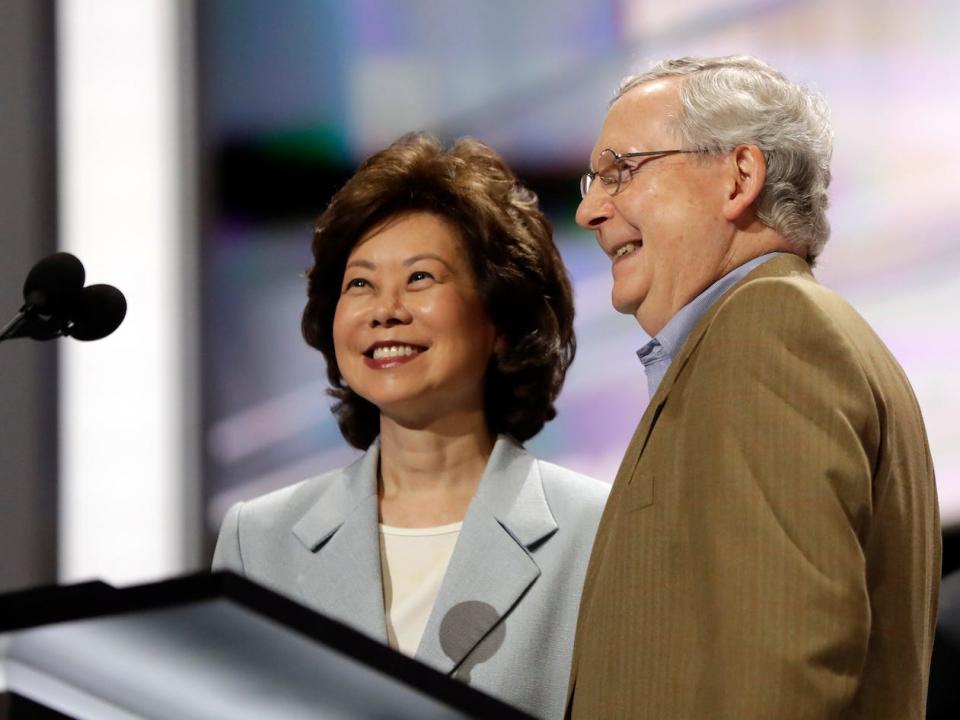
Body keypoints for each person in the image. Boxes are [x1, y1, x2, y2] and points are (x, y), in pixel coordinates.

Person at [566, 56, 940, 719]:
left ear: (740, 177)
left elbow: (787, 664)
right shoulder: (771, 333)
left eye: (620, 171)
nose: (591, 209)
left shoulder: (769, 332)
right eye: (591, 180)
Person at [214, 133, 609, 719]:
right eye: (360, 284)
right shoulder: (259, 539)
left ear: (499, 317)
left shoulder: (594, 530)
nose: (385, 309)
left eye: (420, 278)